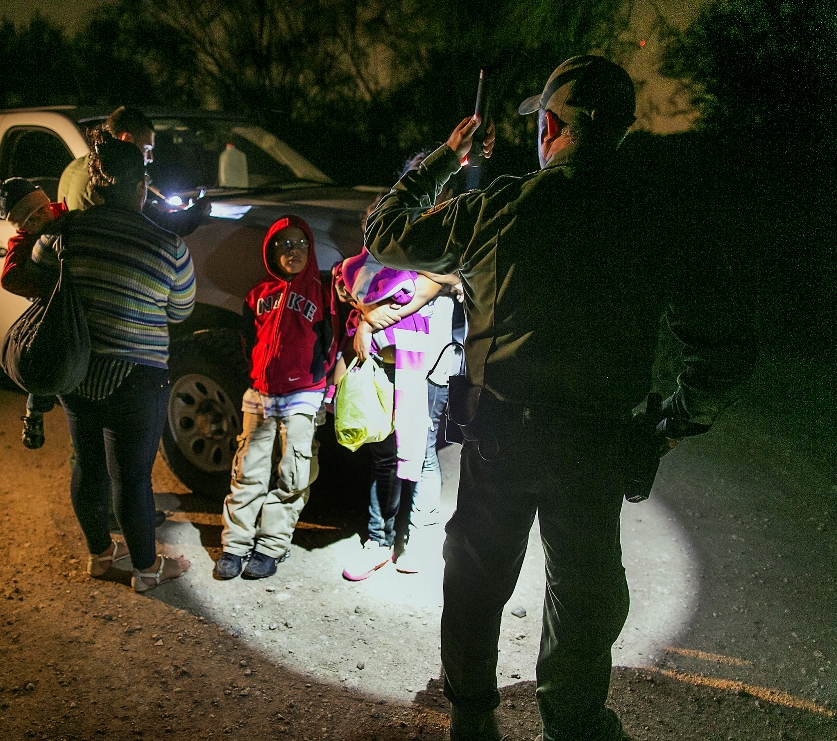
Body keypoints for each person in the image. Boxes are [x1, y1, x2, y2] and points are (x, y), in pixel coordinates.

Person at [364, 55, 755, 741]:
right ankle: (573, 723)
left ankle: (472, 716)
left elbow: (385, 234)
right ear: (622, 134)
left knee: (476, 579)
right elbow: (725, 346)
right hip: (598, 445)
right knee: (583, 595)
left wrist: (444, 161)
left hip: (499, 439)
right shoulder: (658, 223)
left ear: (549, 125)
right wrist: (667, 423)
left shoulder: (497, 207)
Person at [35, 134, 195, 592]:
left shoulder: (68, 231)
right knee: (131, 477)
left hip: (78, 368)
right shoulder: (169, 245)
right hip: (136, 376)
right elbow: (181, 310)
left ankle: (101, 556)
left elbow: (38, 267)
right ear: (142, 186)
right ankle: (146, 569)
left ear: (97, 183)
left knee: (87, 465)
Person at [215, 215, 336, 580]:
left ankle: (270, 546)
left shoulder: (323, 293)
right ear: (271, 251)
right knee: (247, 471)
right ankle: (235, 545)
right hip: (261, 396)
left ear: (310, 248)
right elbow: (247, 341)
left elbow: (332, 342)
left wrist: (324, 386)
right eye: (283, 245)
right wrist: (255, 375)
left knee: (294, 474)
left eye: (300, 244)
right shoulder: (257, 294)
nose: (292, 251)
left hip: (303, 396)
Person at [332, 249, 447, 580]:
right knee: (384, 458)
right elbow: (350, 292)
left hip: (430, 367)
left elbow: (446, 278)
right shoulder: (360, 271)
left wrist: (371, 319)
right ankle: (379, 542)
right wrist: (367, 317)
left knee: (422, 455)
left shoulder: (436, 256)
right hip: (383, 366)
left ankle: (420, 541)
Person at [0, 177, 69, 449]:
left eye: (41, 210)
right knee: (44, 350)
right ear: (22, 226)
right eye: (32, 219)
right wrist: (45, 288)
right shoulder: (22, 242)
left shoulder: (66, 214)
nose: (40, 218)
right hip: (50, 305)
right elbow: (9, 277)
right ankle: (34, 413)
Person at [58, 105, 206, 237]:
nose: (150, 158)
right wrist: (199, 210)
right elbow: (156, 225)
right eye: (147, 149)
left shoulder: (77, 166)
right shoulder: (112, 176)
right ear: (126, 138)